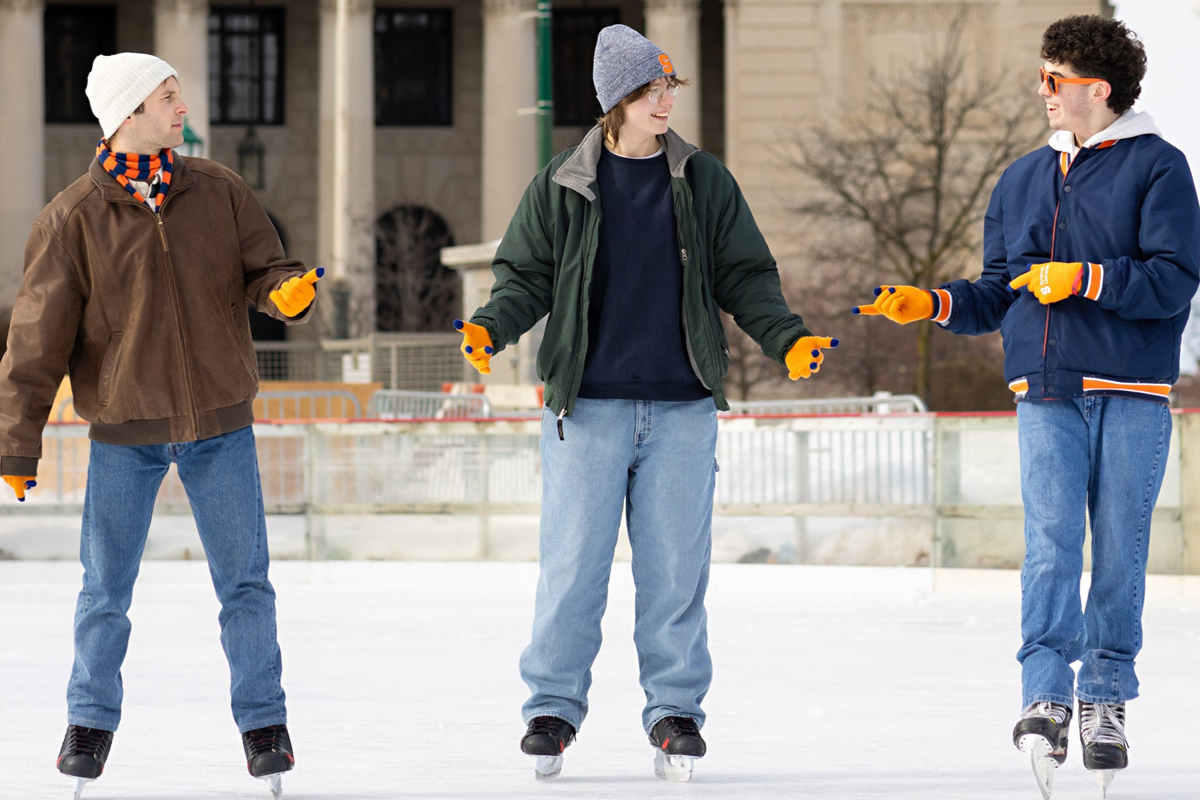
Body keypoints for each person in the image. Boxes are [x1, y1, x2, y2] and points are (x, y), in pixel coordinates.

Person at [454, 24, 837, 782]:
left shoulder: (702, 180)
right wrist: (489, 328)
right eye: (647, 90)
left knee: (674, 573)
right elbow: (524, 277)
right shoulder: (562, 184)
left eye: (668, 88)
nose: (664, 101)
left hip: (682, 408)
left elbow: (746, 275)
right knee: (572, 568)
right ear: (615, 102)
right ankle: (552, 708)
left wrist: (785, 338)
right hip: (585, 409)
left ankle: (674, 711)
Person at [852, 15, 1199, 798]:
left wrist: (1083, 279)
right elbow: (996, 294)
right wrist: (932, 302)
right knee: (1049, 544)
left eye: (1054, 80)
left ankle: (1105, 698)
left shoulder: (1159, 168)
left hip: (1131, 391)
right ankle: (1043, 693)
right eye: (1042, 77)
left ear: (1096, 89)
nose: (1041, 92)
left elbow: (1174, 279)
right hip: (1043, 389)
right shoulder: (1020, 180)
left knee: (1118, 548)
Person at [0, 53, 322, 798]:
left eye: (179, 94)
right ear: (129, 113)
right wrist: (16, 445)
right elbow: (34, 342)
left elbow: (265, 271)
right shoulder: (72, 218)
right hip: (125, 434)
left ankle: (264, 726)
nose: (184, 107)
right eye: (168, 96)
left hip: (221, 427)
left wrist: (289, 291)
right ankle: (89, 724)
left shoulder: (218, 189)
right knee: (104, 591)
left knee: (246, 585)